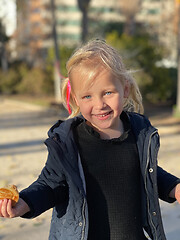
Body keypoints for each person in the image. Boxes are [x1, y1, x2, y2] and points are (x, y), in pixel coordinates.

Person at [0, 39, 180, 240]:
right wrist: (23, 204)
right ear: (75, 99)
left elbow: (151, 173)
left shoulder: (139, 133)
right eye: (87, 97)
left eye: (108, 93)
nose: (99, 104)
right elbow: (50, 185)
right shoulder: (67, 142)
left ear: (125, 89)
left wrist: (175, 187)